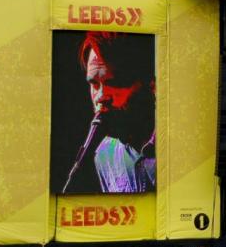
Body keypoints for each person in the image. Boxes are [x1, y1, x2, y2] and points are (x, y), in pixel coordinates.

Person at [63, 32, 156, 194]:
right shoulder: (104, 155)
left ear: (150, 84)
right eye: (94, 84)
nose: (100, 97)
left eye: (113, 83)